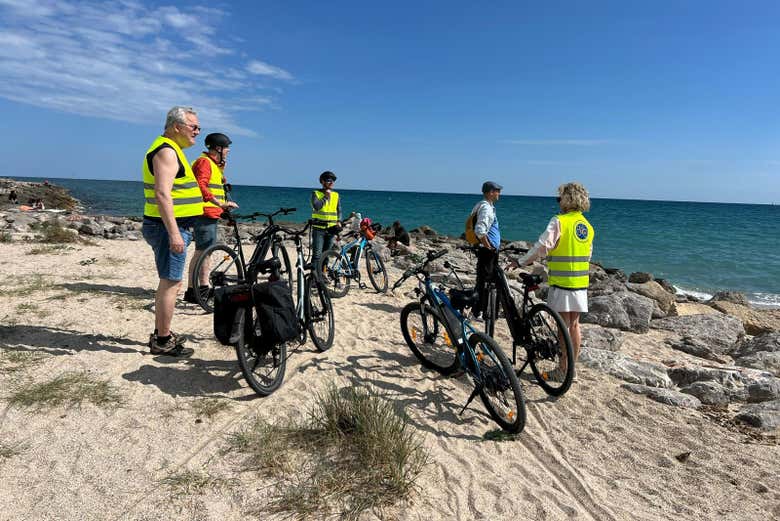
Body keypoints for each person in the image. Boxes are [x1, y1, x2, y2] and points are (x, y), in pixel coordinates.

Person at [510, 182, 594, 373]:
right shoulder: (587, 226)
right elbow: (588, 255)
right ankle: (570, 369)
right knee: (574, 325)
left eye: (559, 198)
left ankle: (563, 369)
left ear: (567, 199)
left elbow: (542, 247)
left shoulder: (559, 221)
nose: (558, 203)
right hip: (580, 282)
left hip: (563, 282)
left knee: (563, 327)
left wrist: (521, 262)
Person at [141, 106, 205, 356]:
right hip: (169, 227)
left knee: (172, 281)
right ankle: (162, 339)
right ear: (176, 126)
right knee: (171, 283)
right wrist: (175, 234)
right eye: (194, 127)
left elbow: (179, 191)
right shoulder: (166, 151)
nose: (197, 132)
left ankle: (162, 334)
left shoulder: (173, 149)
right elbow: (162, 194)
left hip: (174, 226)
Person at [183, 132, 239, 304]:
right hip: (205, 213)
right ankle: (199, 290)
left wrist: (221, 170)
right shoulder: (204, 162)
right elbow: (201, 186)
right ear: (218, 148)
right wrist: (219, 203)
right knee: (203, 252)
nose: (229, 151)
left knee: (203, 252)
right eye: (227, 147)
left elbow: (215, 185)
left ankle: (196, 290)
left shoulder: (212, 164)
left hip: (210, 213)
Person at [471, 181, 502, 319]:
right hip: (487, 251)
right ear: (490, 192)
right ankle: (481, 311)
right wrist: (488, 246)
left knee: (484, 280)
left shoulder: (484, 205)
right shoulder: (486, 208)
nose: (499, 193)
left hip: (487, 250)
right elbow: (480, 230)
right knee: (486, 282)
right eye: (497, 190)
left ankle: (481, 310)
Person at [310, 171, 342, 267]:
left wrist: (339, 221)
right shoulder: (316, 193)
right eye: (328, 180)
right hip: (318, 228)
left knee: (326, 254)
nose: (331, 182)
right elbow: (317, 207)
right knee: (317, 255)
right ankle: (314, 276)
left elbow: (339, 210)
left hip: (332, 229)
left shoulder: (336, 195)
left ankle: (323, 274)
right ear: (322, 182)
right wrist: (325, 197)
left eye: (333, 181)